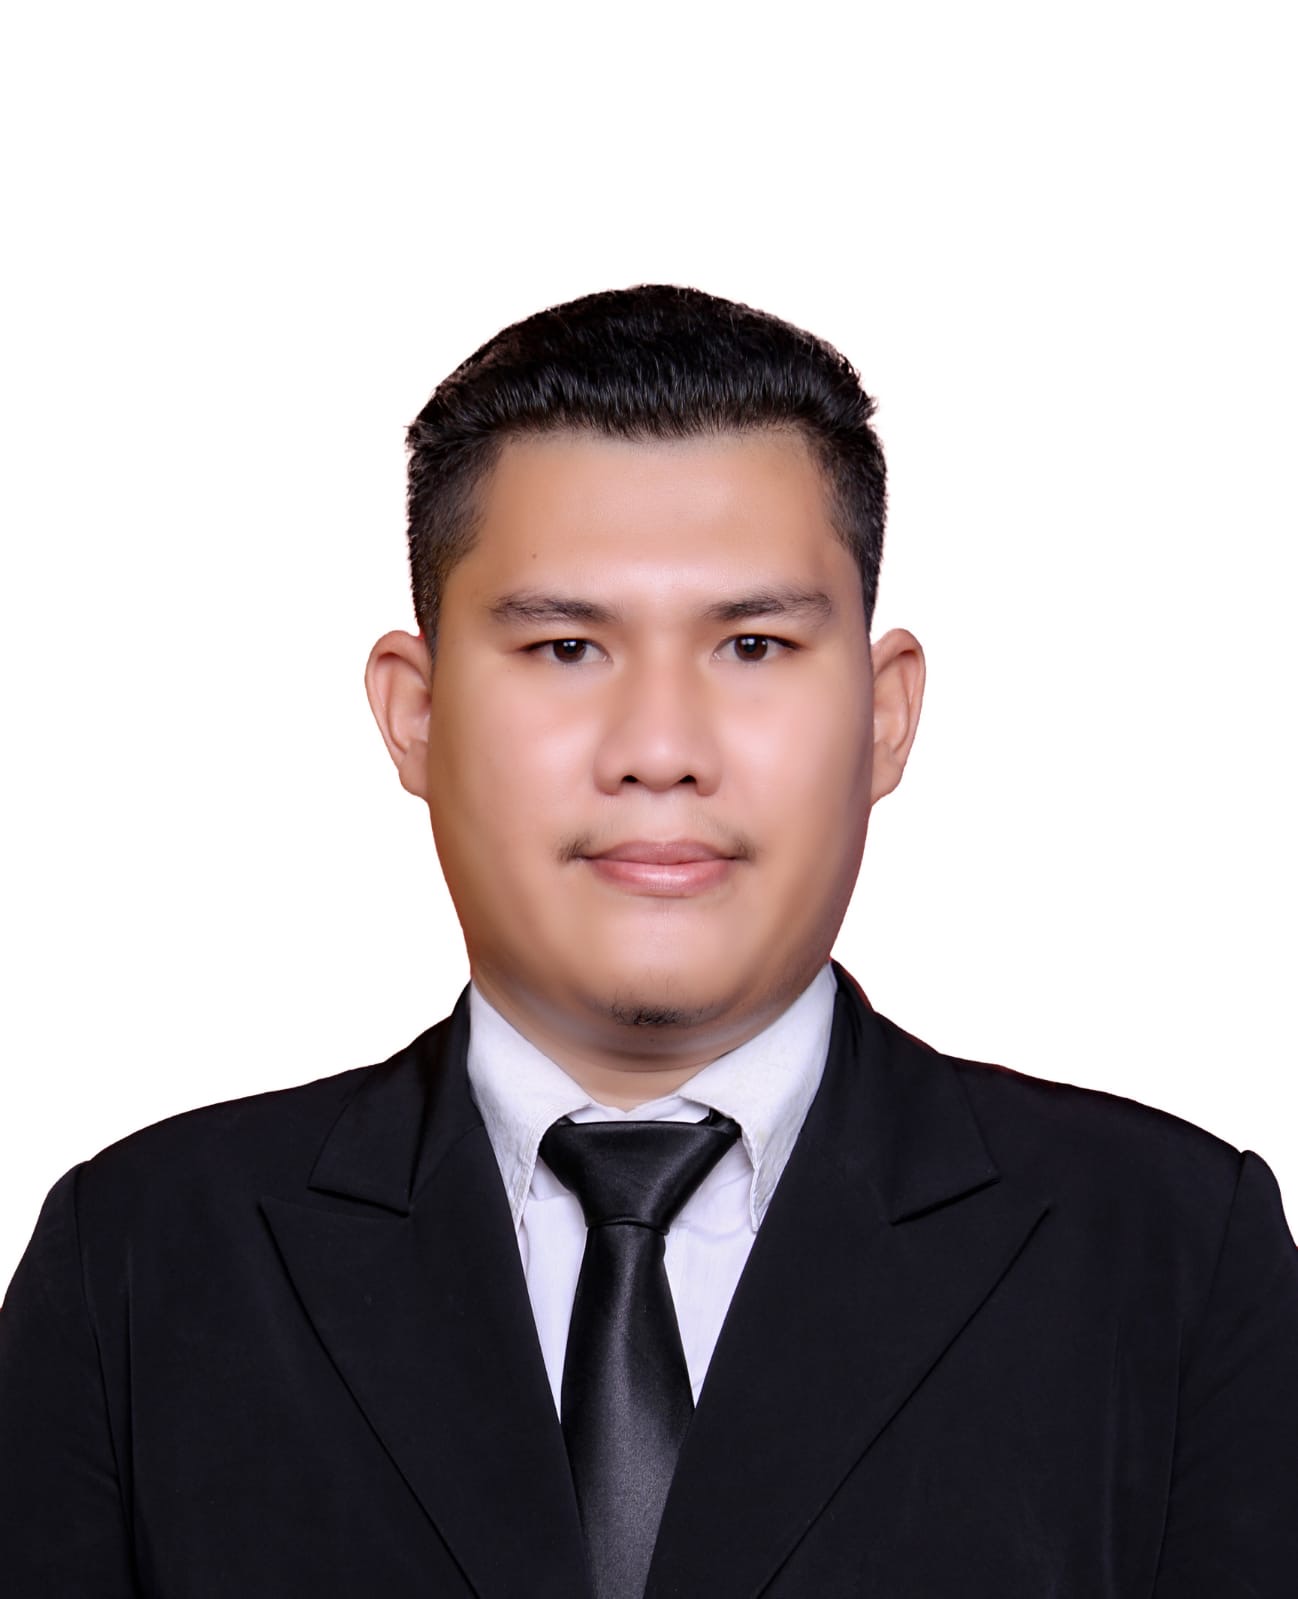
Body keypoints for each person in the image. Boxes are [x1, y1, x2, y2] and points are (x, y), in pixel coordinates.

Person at [2, 284, 1295, 1598]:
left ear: (885, 714)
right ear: (414, 714)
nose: (661, 751)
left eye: (753, 644)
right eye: (567, 647)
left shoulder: (1170, 1256)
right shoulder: (141, 1262)